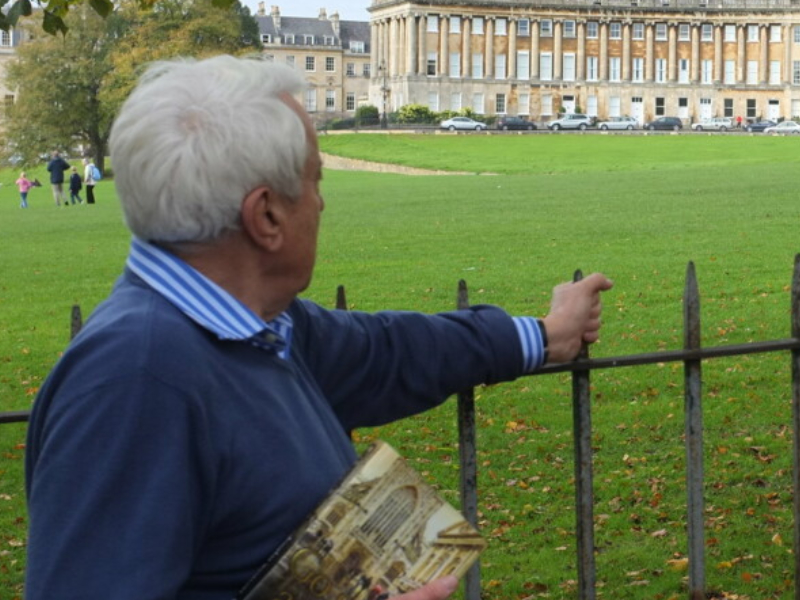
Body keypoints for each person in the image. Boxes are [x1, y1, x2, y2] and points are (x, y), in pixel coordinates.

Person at [24, 56, 613, 600]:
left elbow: (388, 353)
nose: (322, 205)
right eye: (315, 181)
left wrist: (543, 335)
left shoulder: (259, 326)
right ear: (267, 216)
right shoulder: (137, 381)